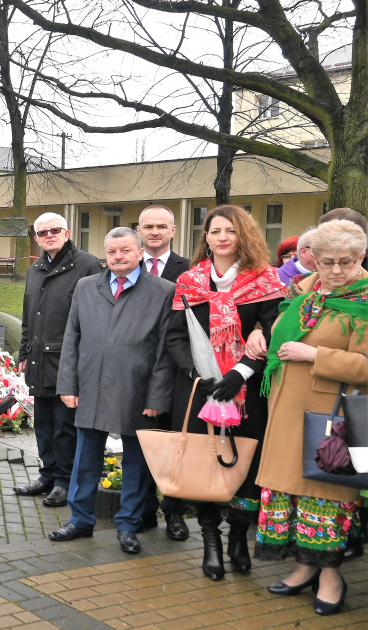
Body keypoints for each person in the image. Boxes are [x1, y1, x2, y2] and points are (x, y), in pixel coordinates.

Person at [252, 219, 367, 617]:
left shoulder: (365, 300)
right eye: (327, 261)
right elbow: (281, 330)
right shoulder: (301, 291)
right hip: (286, 413)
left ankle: (332, 577)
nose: (336, 271)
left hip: (330, 419)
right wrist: (258, 331)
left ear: (361, 258)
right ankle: (304, 567)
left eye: (346, 262)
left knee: (325, 497)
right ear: (312, 259)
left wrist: (315, 355)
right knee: (295, 495)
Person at [167, 204, 285, 581]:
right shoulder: (190, 281)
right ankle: (211, 544)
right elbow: (174, 335)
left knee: (246, 466)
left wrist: (240, 373)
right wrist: (197, 373)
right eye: (214, 231)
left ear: (243, 236)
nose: (221, 238)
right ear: (206, 237)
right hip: (200, 390)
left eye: (230, 232)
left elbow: (273, 335)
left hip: (247, 393)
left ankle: (237, 537)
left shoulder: (266, 281)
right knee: (205, 465)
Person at [49, 227, 175, 555]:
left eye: (125, 251)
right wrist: (67, 385)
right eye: (112, 252)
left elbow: (165, 351)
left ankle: (128, 524)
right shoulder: (86, 287)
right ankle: (80, 520)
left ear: (139, 252)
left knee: (136, 459)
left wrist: (157, 397)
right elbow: (72, 337)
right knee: (85, 456)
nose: (118, 257)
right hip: (91, 385)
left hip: (139, 390)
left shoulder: (163, 291)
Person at [14, 212, 102, 508]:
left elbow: (93, 318)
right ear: (36, 239)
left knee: (66, 426)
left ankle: (65, 481)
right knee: (44, 423)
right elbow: (29, 316)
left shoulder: (87, 265)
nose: (49, 235)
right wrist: (24, 352)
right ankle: (47, 474)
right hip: (39, 360)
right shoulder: (36, 269)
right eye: (42, 232)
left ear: (67, 232)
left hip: (68, 361)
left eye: (55, 230)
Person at [136, 204, 191, 539]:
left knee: (174, 445)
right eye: (148, 226)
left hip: (175, 372)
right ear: (139, 231)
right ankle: (142, 511)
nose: (154, 232)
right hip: (137, 371)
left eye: (161, 226)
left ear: (173, 230)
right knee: (140, 443)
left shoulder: (191, 270)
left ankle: (174, 512)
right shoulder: (124, 265)